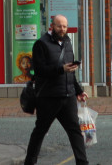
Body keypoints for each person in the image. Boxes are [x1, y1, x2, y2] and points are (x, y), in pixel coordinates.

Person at [23, 14, 88, 165]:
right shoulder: (41, 44)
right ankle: (30, 162)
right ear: (52, 26)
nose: (62, 29)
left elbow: (70, 72)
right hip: (48, 98)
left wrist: (78, 91)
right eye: (59, 26)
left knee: (75, 132)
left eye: (65, 26)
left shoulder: (67, 42)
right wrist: (60, 69)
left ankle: (83, 162)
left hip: (68, 96)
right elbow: (39, 71)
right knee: (40, 131)